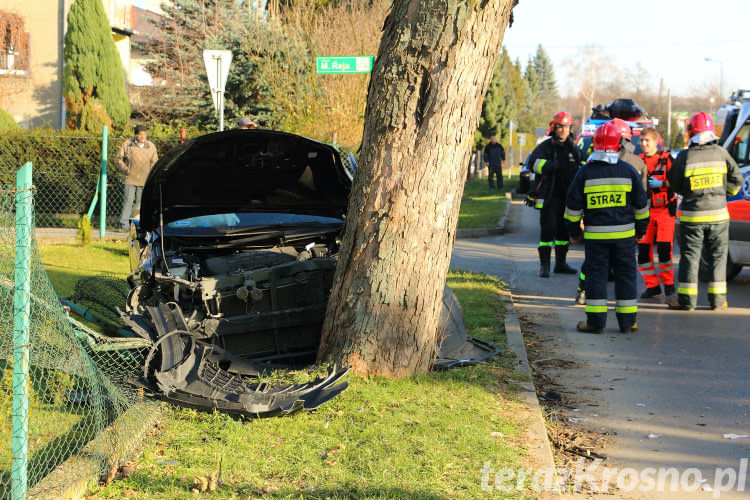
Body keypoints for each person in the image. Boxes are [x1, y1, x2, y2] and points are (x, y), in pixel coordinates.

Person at [564, 121, 649, 334]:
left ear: (594, 144)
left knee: (596, 276)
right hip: (625, 238)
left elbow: (572, 207)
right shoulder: (629, 171)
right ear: (618, 143)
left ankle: (595, 322)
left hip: (596, 238)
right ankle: (628, 323)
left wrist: (574, 232)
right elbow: (641, 206)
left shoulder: (585, 173)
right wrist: (640, 231)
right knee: (626, 276)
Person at [666, 111, 743, 311]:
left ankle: (687, 301)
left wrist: (689, 192)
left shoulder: (685, 156)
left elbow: (674, 184)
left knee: (690, 258)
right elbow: (737, 180)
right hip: (719, 216)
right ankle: (718, 302)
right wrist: (723, 195)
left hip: (693, 217)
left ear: (691, 131)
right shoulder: (721, 153)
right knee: (718, 257)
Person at [527, 111, 582, 277]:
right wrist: (548, 166)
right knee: (547, 231)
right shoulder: (546, 146)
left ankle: (561, 264)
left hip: (568, 197)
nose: (563, 130)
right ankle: (544, 266)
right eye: (560, 127)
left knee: (563, 232)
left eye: (566, 127)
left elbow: (583, 165)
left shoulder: (574, 148)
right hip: (550, 197)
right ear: (553, 128)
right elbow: (532, 163)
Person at [637, 128, 677, 298]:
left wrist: (662, 183)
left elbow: (678, 182)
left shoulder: (667, 159)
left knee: (664, 249)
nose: (644, 144)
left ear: (656, 142)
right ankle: (652, 286)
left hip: (665, 210)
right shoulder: (638, 161)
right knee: (644, 251)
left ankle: (668, 284)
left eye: (647, 141)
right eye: (642, 141)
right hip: (645, 212)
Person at [116, 124, 158, 231]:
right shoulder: (128, 144)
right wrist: (126, 170)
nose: (143, 136)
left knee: (141, 205)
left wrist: (150, 175)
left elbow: (155, 162)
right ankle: (124, 226)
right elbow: (117, 159)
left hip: (144, 180)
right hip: (130, 179)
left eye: (144, 134)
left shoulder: (151, 146)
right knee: (128, 202)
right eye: (140, 134)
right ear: (136, 135)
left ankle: (139, 226)